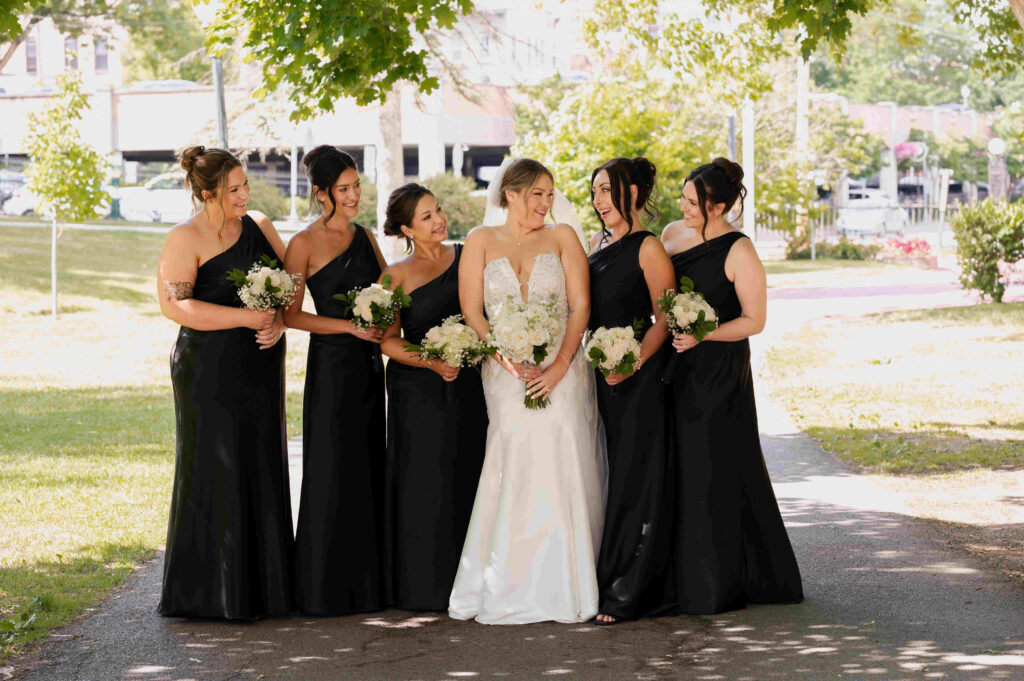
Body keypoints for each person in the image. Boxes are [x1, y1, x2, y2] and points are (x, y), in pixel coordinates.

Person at [448, 158, 605, 624]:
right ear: (510, 193)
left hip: (563, 370)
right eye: (537, 194)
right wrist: (502, 355)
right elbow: (472, 310)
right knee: (512, 457)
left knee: (559, 457)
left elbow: (581, 307)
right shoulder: (479, 241)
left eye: (550, 195)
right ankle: (502, 580)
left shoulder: (562, 238)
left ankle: (567, 583)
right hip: (504, 374)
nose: (546, 204)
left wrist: (558, 366)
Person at [660, 157, 803, 614]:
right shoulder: (670, 236)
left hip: (719, 371)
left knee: (713, 466)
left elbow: (754, 321)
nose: (683, 208)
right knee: (676, 464)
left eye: (693, 203)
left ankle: (718, 581)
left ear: (718, 206)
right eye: (682, 199)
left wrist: (705, 333)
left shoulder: (740, 250)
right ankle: (674, 578)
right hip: (674, 363)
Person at [157, 145, 293, 619]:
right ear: (206, 192)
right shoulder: (184, 237)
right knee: (215, 464)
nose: (244, 194)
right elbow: (175, 305)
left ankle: (265, 590)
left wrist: (276, 317)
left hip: (260, 364)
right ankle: (209, 593)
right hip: (207, 369)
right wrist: (246, 316)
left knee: (259, 458)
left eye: (245, 185)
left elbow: (289, 285)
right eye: (233, 188)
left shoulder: (259, 225)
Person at [282, 145, 388, 615]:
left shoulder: (366, 235)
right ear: (321, 192)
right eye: (343, 189)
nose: (354, 196)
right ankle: (324, 589)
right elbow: (290, 315)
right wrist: (348, 326)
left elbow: (392, 289)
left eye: (357, 187)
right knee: (330, 468)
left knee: (367, 465)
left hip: (368, 367)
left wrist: (386, 321)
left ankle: (369, 588)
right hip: (330, 369)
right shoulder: (302, 244)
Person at [378, 184, 488, 611]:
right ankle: (423, 586)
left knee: (468, 474)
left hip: (468, 385)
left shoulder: (466, 256)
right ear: (406, 228)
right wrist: (432, 361)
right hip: (417, 392)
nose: (438, 219)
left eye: (438, 210)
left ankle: (471, 582)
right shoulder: (395, 275)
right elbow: (387, 341)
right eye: (426, 217)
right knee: (424, 484)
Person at [587, 158, 676, 624]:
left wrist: (632, 362)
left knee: (635, 481)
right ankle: (610, 580)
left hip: (639, 380)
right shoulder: (599, 245)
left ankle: (629, 591)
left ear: (636, 194)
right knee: (612, 477)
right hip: (604, 379)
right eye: (596, 191)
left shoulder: (649, 248)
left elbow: (665, 317)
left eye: (608, 190)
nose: (600, 200)